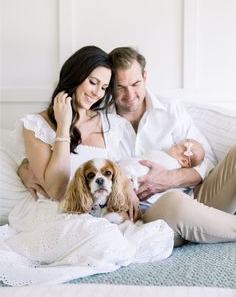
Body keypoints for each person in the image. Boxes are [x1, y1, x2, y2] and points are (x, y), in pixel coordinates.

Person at [0, 46, 173, 286]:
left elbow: (121, 166)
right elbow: (57, 190)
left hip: (99, 211)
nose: (97, 94)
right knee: (101, 237)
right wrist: (63, 126)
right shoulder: (36, 125)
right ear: (75, 75)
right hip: (56, 212)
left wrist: (127, 187)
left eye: (104, 88)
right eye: (93, 82)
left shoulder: (111, 123)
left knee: (141, 236)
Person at [109, 46, 236, 246]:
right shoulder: (103, 122)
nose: (130, 94)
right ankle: (207, 225)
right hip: (151, 211)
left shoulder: (170, 110)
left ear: (145, 76)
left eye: (135, 83)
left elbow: (206, 162)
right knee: (176, 204)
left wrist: (169, 178)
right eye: (120, 87)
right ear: (110, 85)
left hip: (197, 196)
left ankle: (207, 225)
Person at [120, 138, 205, 207]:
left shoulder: (169, 162)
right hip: (146, 200)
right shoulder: (168, 159)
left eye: (176, 146)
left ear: (183, 161)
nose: (172, 144)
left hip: (136, 185)